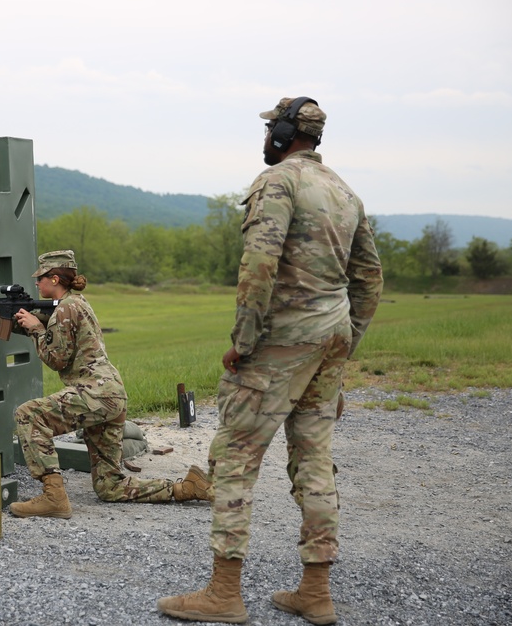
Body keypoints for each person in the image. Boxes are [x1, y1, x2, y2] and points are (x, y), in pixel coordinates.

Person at [157, 97, 383, 625]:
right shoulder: (346, 192)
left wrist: (245, 338)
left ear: (283, 134)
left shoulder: (279, 182)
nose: (264, 138)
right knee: (315, 460)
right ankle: (315, 591)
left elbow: (260, 260)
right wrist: (347, 342)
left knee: (235, 456)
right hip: (331, 338)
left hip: (281, 340)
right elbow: (369, 279)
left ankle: (224, 593)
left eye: (268, 129)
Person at [0, 249, 212, 519]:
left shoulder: (66, 308)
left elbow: (56, 358)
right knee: (110, 486)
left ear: (56, 279)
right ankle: (186, 488)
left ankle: (54, 498)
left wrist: (36, 328)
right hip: (111, 396)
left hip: (94, 394)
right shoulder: (75, 304)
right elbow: (46, 330)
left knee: (29, 414)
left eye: (42, 278)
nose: (37, 283)